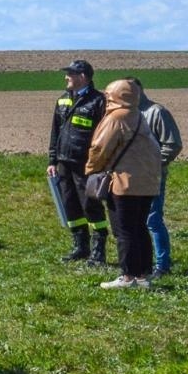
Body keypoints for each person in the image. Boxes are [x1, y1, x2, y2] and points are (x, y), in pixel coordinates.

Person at [86, 79, 161, 290]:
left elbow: (99, 148)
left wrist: (91, 169)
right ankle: (143, 275)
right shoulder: (139, 116)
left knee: (124, 229)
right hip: (147, 182)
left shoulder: (116, 118)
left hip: (123, 182)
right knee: (140, 227)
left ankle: (128, 276)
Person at [48, 59, 110, 265]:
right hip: (64, 163)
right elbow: (55, 132)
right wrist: (52, 160)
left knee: (90, 206)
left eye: (70, 74)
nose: (66, 77)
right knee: (70, 206)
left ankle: (98, 251)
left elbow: (103, 135)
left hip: (86, 164)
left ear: (82, 77)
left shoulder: (98, 101)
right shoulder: (62, 100)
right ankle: (80, 247)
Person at [129, 79, 183, 279]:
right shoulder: (126, 114)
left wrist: (151, 164)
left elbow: (173, 144)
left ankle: (162, 264)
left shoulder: (156, 112)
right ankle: (143, 262)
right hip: (130, 178)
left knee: (153, 220)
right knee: (134, 222)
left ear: (138, 90)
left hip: (152, 176)